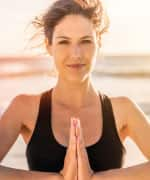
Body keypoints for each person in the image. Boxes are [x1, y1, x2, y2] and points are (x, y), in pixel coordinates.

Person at [0, 0, 150, 179]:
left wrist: (98, 178)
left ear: (98, 43)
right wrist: (56, 178)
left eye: (86, 41)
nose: (76, 54)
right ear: (49, 45)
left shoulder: (123, 110)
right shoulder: (24, 108)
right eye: (64, 42)